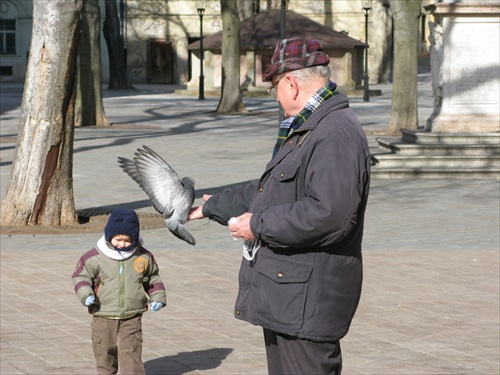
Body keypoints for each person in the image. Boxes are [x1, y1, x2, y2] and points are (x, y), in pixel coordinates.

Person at [189, 38, 371, 374]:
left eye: (274, 87)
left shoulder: (333, 133)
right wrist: (212, 207)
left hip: (307, 300)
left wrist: (256, 225)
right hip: (293, 296)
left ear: (291, 84)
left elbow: (328, 215)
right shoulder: (311, 126)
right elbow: (274, 189)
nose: (275, 96)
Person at [72, 208, 167, 375]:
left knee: (131, 350)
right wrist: (86, 294)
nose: (122, 244)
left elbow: (153, 278)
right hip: (103, 313)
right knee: (104, 351)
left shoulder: (143, 257)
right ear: (109, 236)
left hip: (132, 314)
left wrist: (157, 297)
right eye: (118, 239)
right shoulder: (95, 257)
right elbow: (80, 276)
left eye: (127, 240)